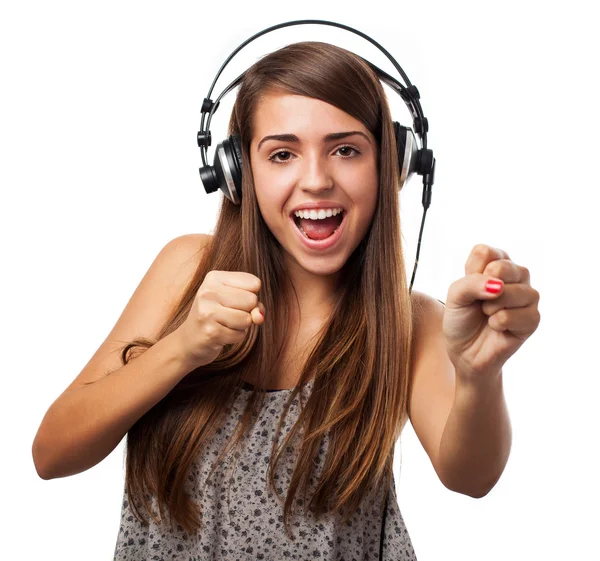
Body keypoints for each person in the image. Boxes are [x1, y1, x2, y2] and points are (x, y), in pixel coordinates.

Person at [31, 40, 541, 560]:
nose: (316, 180)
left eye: (346, 150)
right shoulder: (187, 271)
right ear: (238, 172)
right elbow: (52, 453)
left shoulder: (409, 322)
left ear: (393, 166)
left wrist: (479, 373)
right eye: (282, 154)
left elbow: (471, 477)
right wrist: (181, 349)